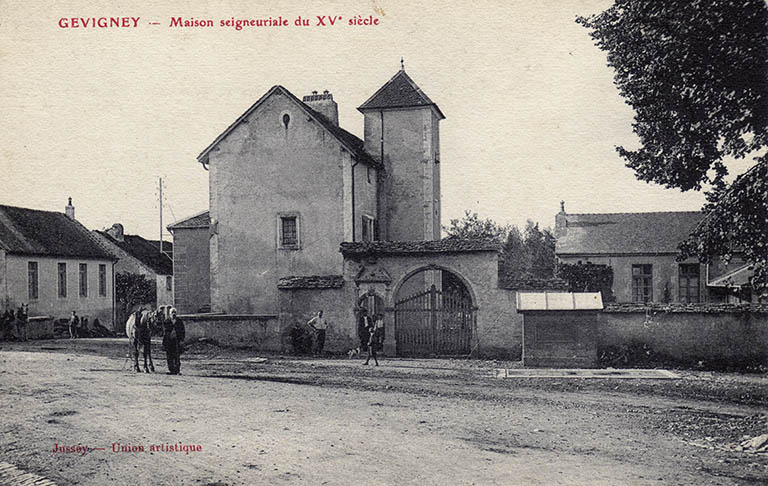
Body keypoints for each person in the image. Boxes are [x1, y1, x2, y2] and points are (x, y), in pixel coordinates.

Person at [163, 308, 185, 375]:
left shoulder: (179, 321)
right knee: (169, 356)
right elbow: (164, 332)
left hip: (177, 341)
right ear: (169, 314)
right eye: (172, 312)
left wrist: (181, 340)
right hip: (169, 341)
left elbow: (182, 331)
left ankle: (177, 370)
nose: (173, 314)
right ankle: (171, 370)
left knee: (177, 355)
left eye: (174, 312)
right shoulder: (166, 321)